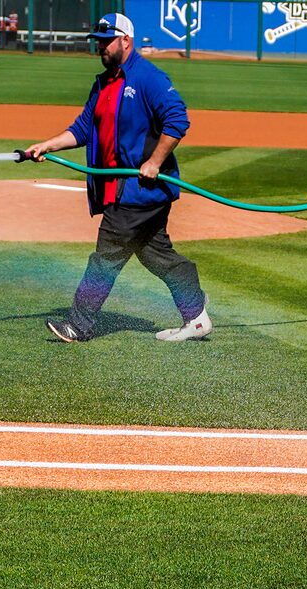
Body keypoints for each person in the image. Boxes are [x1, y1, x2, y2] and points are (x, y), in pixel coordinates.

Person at [14, 13, 211, 344]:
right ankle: (196, 314)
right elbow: (82, 129)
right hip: (125, 190)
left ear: (126, 41)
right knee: (155, 254)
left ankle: (79, 324)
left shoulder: (148, 78)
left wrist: (154, 161)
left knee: (106, 255)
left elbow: (178, 120)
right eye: (98, 42)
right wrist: (47, 144)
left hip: (140, 191)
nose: (100, 47)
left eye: (106, 41)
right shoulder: (103, 83)